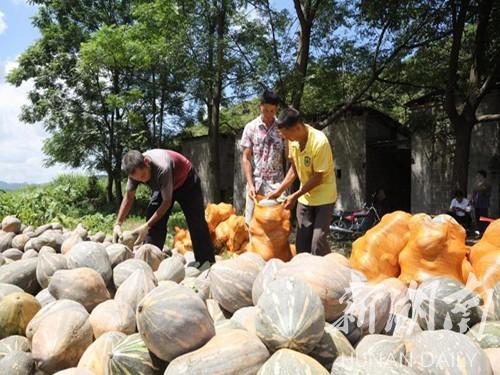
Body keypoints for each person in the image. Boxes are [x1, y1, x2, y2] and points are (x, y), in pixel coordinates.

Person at [113, 149, 215, 268]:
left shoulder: (162, 167)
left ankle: (206, 262)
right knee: (153, 221)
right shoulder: (134, 171)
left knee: (196, 221)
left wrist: (146, 226)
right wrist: (118, 223)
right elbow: (129, 197)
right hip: (163, 186)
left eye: (143, 176)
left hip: (186, 182)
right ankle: (150, 261)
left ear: (146, 162)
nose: (143, 181)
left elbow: (167, 202)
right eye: (138, 179)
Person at [268, 107, 337, 256]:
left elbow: (318, 177)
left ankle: (326, 274)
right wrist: (280, 190)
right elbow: (294, 168)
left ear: (298, 127)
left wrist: (295, 195)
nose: (288, 140)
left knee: (317, 243)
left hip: (324, 197)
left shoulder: (319, 142)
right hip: (305, 198)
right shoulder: (294, 142)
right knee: (302, 244)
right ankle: (304, 276)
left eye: (288, 136)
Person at [240, 89, 286, 225]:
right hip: (256, 183)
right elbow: (246, 158)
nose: (269, 115)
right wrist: (250, 184)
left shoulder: (282, 128)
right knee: (251, 224)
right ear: (260, 106)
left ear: (277, 109)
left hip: (277, 183)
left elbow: (289, 158)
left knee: (277, 224)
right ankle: (253, 247)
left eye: (272, 111)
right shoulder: (250, 128)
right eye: (266, 110)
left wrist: (287, 139)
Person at [471, 169, 491, 235]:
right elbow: (474, 194)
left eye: (479, 175)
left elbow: (486, 193)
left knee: (484, 219)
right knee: (478, 219)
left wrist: (479, 188)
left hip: (483, 205)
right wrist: (472, 200)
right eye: (477, 176)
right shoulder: (476, 185)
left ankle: (485, 233)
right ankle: (479, 232)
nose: (477, 177)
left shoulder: (487, 184)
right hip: (477, 205)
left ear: (482, 176)